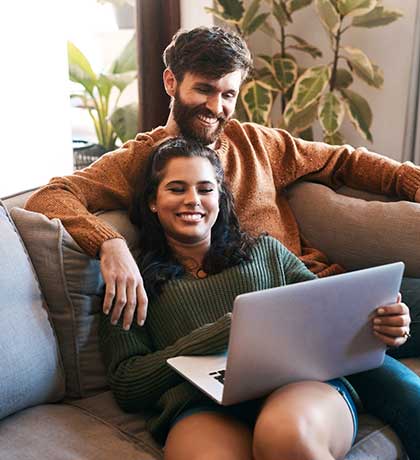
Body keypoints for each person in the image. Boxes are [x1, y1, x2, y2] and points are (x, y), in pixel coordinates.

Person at [26, 26, 420, 455]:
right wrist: (109, 243)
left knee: (400, 367)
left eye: (229, 94)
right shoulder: (139, 162)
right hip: (223, 369)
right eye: (205, 89)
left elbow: (344, 162)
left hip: (315, 307)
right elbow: (50, 196)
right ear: (171, 82)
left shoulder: (257, 142)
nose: (217, 107)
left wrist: (411, 181)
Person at [99, 137, 411, 460]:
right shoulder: (131, 281)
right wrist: (222, 334)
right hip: (200, 406)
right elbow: (127, 383)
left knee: (287, 437)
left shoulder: (266, 251)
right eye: (177, 189)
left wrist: (385, 326)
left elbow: (331, 320)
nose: (193, 200)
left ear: (220, 198)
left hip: (295, 387)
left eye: (205, 189)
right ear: (152, 200)